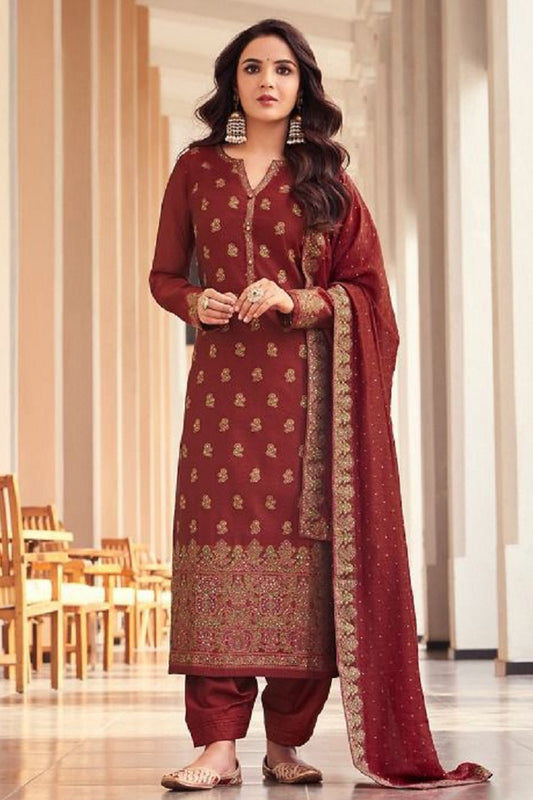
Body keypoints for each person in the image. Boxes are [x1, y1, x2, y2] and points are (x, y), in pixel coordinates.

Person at [149, 18, 491, 794]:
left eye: (283, 69)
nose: (266, 80)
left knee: (305, 571)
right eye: (251, 68)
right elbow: (163, 273)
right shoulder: (195, 171)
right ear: (231, 83)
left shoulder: (326, 181)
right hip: (220, 403)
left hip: (305, 402)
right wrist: (195, 299)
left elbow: (370, 294)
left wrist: (296, 299)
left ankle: (284, 742)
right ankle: (216, 746)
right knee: (213, 557)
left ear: (302, 84)